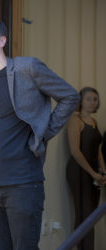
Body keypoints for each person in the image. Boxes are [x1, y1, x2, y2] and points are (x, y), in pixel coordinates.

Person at [0, 17, 80, 250]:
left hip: (22, 183)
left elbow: (70, 96)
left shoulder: (26, 68)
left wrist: (44, 132)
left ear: (2, 40)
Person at [66, 87, 106, 250]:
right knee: (83, 215)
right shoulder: (75, 120)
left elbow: (98, 151)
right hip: (78, 172)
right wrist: (93, 174)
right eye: (88, 99)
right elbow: (75, 151)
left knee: (92, 216)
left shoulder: (94, 122)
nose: (92, 102)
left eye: (95, 99)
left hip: (94, 175)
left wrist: (103, 171)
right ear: (81, 101)